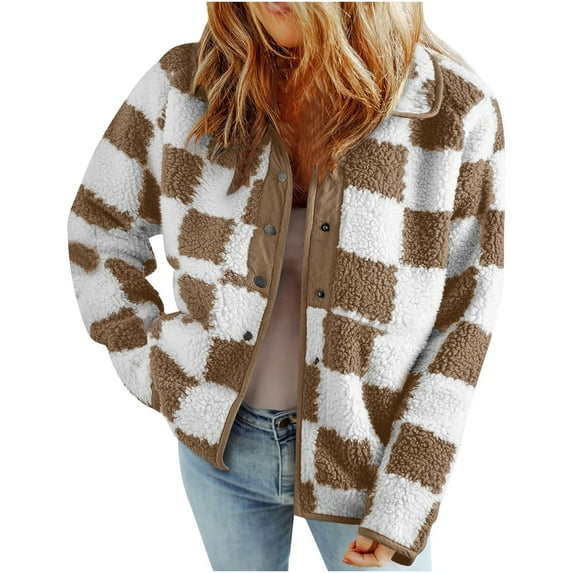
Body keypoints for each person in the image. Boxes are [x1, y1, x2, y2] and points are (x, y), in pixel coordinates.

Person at [67, 2, 505, 571]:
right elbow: (99, 228)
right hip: (220, 453)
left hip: (365, 466)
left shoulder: (451, 112)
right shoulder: (184, 86)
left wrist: (406, 497)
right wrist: (158, 370)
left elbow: (464, 321)